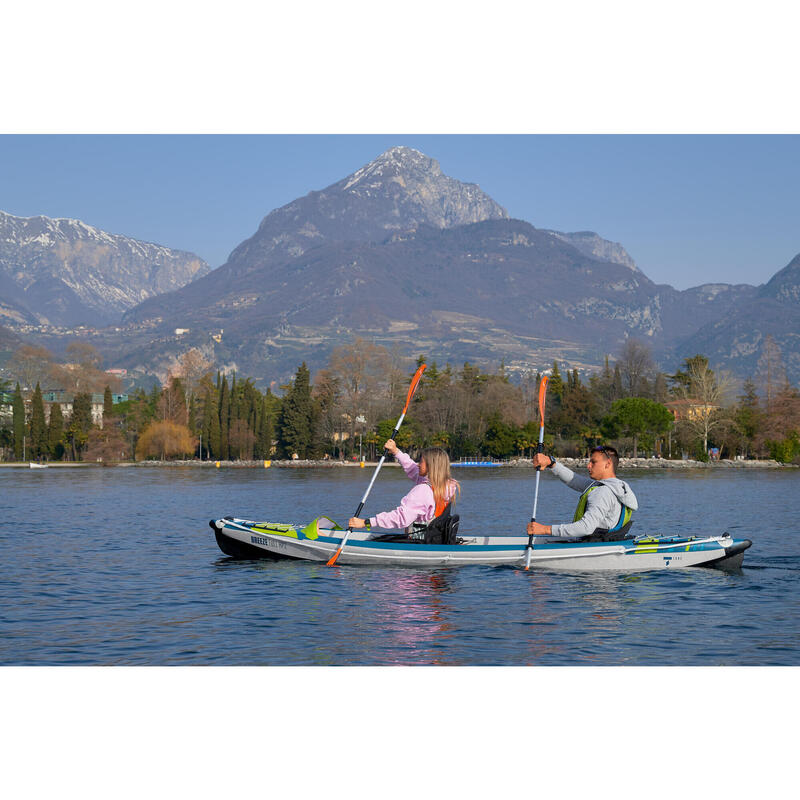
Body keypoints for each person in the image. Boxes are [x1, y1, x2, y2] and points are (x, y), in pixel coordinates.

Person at [526, 445, 638, 539]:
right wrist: (551, 463)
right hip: (609, 540)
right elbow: (574, 480)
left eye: (593, 462)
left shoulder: (602, 492)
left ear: (608, 464)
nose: (588, 465)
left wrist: (545, 529)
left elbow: (586, 527)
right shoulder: (619, 487)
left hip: (595, 544)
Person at [349, 440, 460, 533]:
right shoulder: (447, 486)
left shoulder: (423, 491)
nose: (418, 464)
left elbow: (401, 518)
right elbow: (412, 468)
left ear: (431, 467)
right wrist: (396, 451)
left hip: (420, 542)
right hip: (436, 538)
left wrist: (366, 522)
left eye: (421, 462)